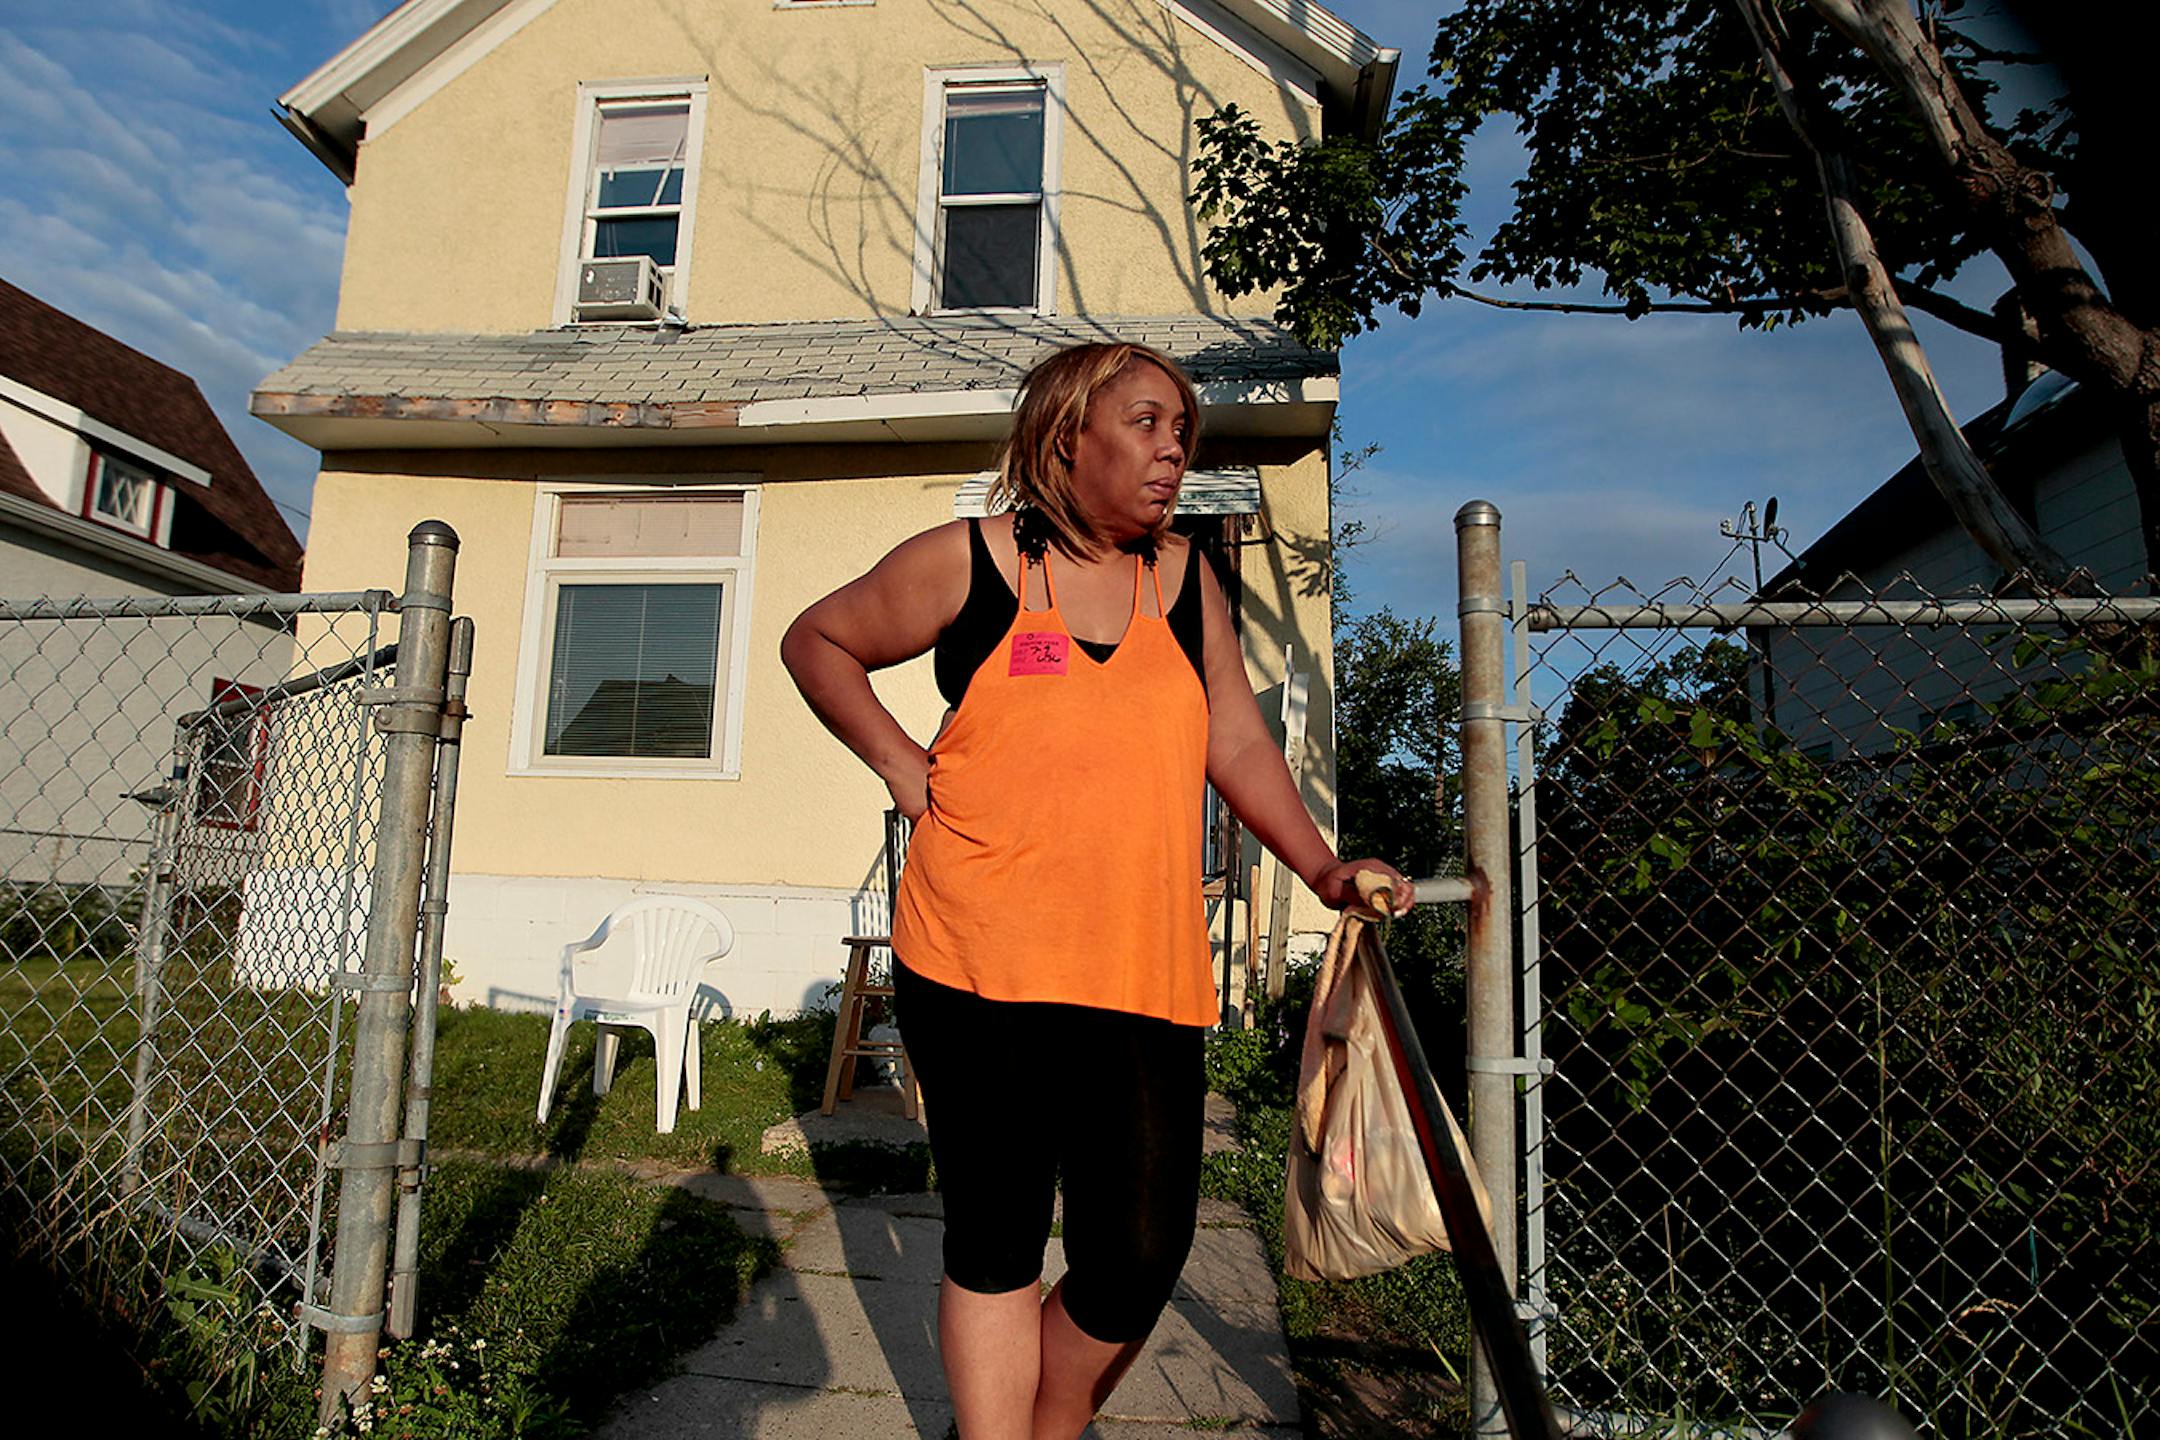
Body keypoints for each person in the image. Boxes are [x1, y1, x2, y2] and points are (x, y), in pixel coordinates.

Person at [781, 340, 1411, 1440]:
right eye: (1146, 424)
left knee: (1139, 1250)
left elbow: (1234, 735)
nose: (1173, 451)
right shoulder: (970, 563)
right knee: (998, 1233)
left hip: (1137, 963)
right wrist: (896, 762)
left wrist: (1321, 862)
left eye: (1181, 431)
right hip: (975, 953)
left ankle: (1054, 1405)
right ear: (1067, 435)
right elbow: (819, 639)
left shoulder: (1183, 582)